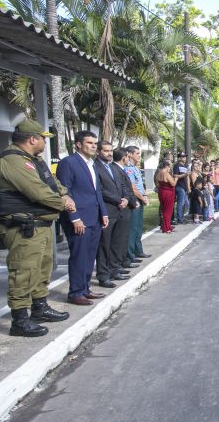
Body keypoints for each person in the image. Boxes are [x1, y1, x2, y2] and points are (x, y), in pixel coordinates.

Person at [0, 119, 73, 336]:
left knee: (41, 269)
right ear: (33, 139)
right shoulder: (12, 161)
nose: (45, 142)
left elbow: (52, 183)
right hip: (22, 226)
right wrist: (64, 203)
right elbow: (36, 191)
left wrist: (63, 194)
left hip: (39, 225)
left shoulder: (33, 160)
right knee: (23, 271)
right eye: (43, 138)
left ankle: (39, 308)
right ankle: (19, 320)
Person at [56, 131, 109, 306]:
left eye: (95, 143)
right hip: (79, 219)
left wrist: (104, 213)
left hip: (94, 217)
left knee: (89, 255)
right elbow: (65, 192)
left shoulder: (91, 163)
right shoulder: (68, 163)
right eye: (89, 143)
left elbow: (96, 191)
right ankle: (76, 292)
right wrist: (74, 218)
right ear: (78, 144)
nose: (94, 146)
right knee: (79, 256)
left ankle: (85, 288)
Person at [94, 142, 133, 288]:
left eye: (110, 151)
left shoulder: (112, 167)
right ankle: (103, 275)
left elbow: (122, 185)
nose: (109, 153)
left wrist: (126, 199)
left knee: (116, 243)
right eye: (105, 151)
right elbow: (100, 189)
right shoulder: (95, 167)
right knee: (104, 245)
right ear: (98, 152)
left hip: (119, 209)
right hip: (107, 210)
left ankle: (114, 269)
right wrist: (118, 199)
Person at [124, 146, 150, 265]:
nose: (139, 156)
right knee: (133, 228)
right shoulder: (128, 169)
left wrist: (145, 196)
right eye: (137, 153)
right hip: (134, 201)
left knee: (139, 227)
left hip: (140, 199)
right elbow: (132, 188)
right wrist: (141, 197)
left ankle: (138, 250)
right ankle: (130, 253)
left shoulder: (135, 168)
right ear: (129, 154)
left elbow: (140, 185)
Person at [155, 160, 176, 233]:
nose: (170, 168)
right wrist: (176, 179)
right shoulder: (166, 173)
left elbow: (157, 184)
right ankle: (167, 228)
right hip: (168, 193)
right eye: (169, 167)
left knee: (164, 209)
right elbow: (173, 184)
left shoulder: (158, 173)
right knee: (168, 210)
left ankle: (166, 226)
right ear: (167, 166)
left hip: (161, 191)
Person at [172, 152, 190, 224]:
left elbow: (187, 177)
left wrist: (188, 187)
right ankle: (180, 218)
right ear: (179, 158)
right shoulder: (177, 166)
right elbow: (175, 176)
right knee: (180, 203)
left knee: (184, 203)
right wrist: (185, 174)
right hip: (179, 186)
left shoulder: (186, 166)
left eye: (185, 157)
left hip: (185, 187)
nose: (184, 158)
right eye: (183, 157)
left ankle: (181, 217)